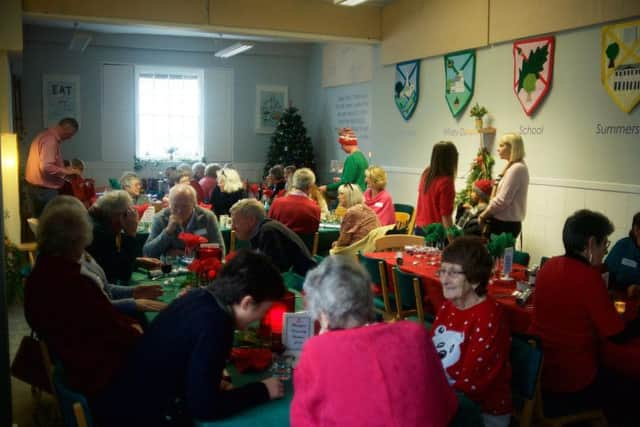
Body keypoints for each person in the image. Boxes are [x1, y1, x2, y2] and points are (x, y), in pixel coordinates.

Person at [92, 250, 287, 427]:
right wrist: (262, 390)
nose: (261, 319)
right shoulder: (217, 324)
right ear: (247, 303)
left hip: (121, 399)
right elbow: (205, 408)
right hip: (138, 416)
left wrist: (207, 379)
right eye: (264, 311)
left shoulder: (198, 296)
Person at [291, 256, 458, 427]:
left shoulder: (316, 351)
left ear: (323, 315)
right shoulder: (415, 332)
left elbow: (303, 420)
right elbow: (447, 404)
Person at [24, 196, 142, 398]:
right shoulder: (73, 282)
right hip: (95, 374)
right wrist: (136, 329)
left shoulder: (43, 270)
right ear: (78, 239)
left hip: (72, 359)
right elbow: (111, 329)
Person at [530, 210, 640, 418]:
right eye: (604, 244)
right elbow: (616, 335)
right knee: (628, 388)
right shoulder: (589, 278)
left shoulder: (548, 266)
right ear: (591, 244)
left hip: (539, 373)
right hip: (571, 380)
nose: (606, 251)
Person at [430, 236, 512, 427]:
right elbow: (430, 355)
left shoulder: (489, 317)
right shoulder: (448, 306)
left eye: (453, 273)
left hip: (480, 413)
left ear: (475, 280)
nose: (444, 279)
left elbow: (471, 385)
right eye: (442, 271)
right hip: (447, 398)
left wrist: (427, 394)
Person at [230, 199, 316, 276]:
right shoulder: (263, 230)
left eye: (235, 222)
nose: (232, 227)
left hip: (302, 285)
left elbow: (272, 272)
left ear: (251, 220)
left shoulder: (268, 232)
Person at [143, 184, 225, 258]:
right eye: (175, 206)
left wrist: (187, 254)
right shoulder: (161, 218)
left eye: (184, 206)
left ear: (194, 204)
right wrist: (168, 231)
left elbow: (220, 250)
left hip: (199, 266)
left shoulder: (207, 217)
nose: (179, 210)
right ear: (169, 204)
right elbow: (148, 253)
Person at [25, 117, 82, 217]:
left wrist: (64, 169)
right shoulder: (50, 140)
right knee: (49, 224)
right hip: (44, 192)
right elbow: (46, 166)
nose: (70, 138)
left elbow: (44, 162)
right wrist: (67, 172)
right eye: (70, 134)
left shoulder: (44, 135)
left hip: (37, 189)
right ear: (66, 128)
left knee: (40, 223)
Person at [478, 133, 529, 238]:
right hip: (504, 223)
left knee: (501, 255)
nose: (498, 149)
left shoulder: (517, 168)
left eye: (501, 145)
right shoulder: (513, 166)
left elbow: (502, 200)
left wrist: (484, 215)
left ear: (512, 148)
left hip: (505, 225)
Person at [87, 190, 141, 283]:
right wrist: (131, 234)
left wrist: (139, 262)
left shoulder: (95, 221)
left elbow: (114, 259)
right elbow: (123, 273)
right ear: (118, 215)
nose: (128, 219)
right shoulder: (99, 232)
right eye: (126, 215)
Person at [415, 141, 458, 237]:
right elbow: (445, 216)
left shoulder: (427, 173)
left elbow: (420, 202)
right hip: (435, 233)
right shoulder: (446, 181)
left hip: (419, 228)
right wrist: (452, 241)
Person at [268, 168, 321, 234]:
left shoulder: (277, 203)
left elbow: (268, 228)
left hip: (279, 243)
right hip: (304, 244)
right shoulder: (315, 208)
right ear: (310, 186)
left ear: (294, 183)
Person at [319, 128, 369, 193]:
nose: (342, 148)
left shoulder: (352, 159)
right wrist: (341, 180)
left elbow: (345, 183)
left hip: (353, 197)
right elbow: (355, 179)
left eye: (342, 145)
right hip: (360, 195)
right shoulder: (362, 157)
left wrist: (326, 187)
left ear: (346, 143)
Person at [333, 183, 381, 248]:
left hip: (357, 250)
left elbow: (344, 240)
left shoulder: (352, 211)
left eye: (341, 194)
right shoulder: (365, 208)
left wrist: (336, 244)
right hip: (370, 247)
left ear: (350, 196)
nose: (338, 197)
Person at [605, 212, 640, 294]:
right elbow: (607, 276)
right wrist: (626, 288)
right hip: (620, 299)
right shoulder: (623, 246)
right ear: (636, 230)